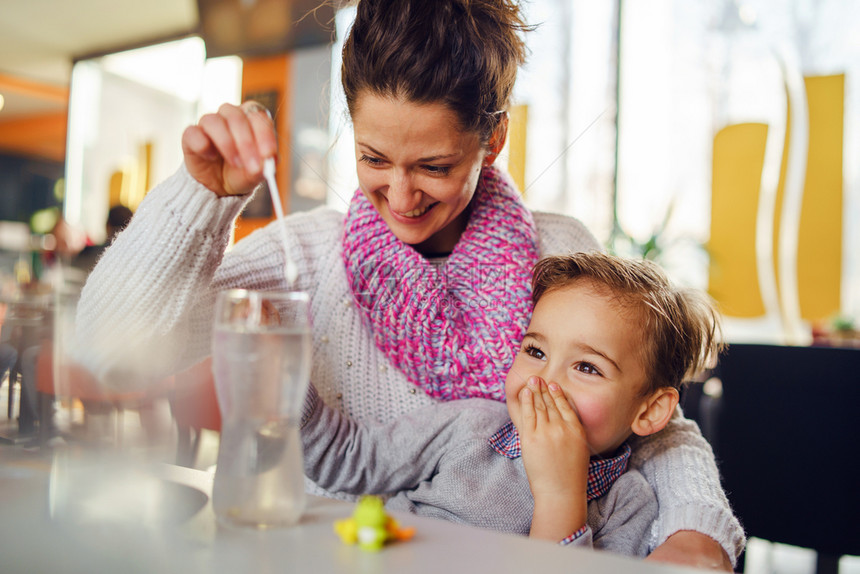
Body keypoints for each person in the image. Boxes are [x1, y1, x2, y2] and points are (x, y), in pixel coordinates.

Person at [75, 0, 743, 567]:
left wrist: (695, 533)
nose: (399, 195)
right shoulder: (307, 253)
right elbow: (108, 349)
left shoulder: (560, 251)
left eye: (433, 165)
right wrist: (201, 197)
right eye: (372, 157)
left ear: (494, 138)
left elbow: (650, 425)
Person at [299, 252, 729, 556]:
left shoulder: (627, 503)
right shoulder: (470, 425)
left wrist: (560, 493)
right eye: (536, 352)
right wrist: (286, 381)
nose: (544, 381)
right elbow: (349, 457)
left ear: (651, 411)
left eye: (587, 367)